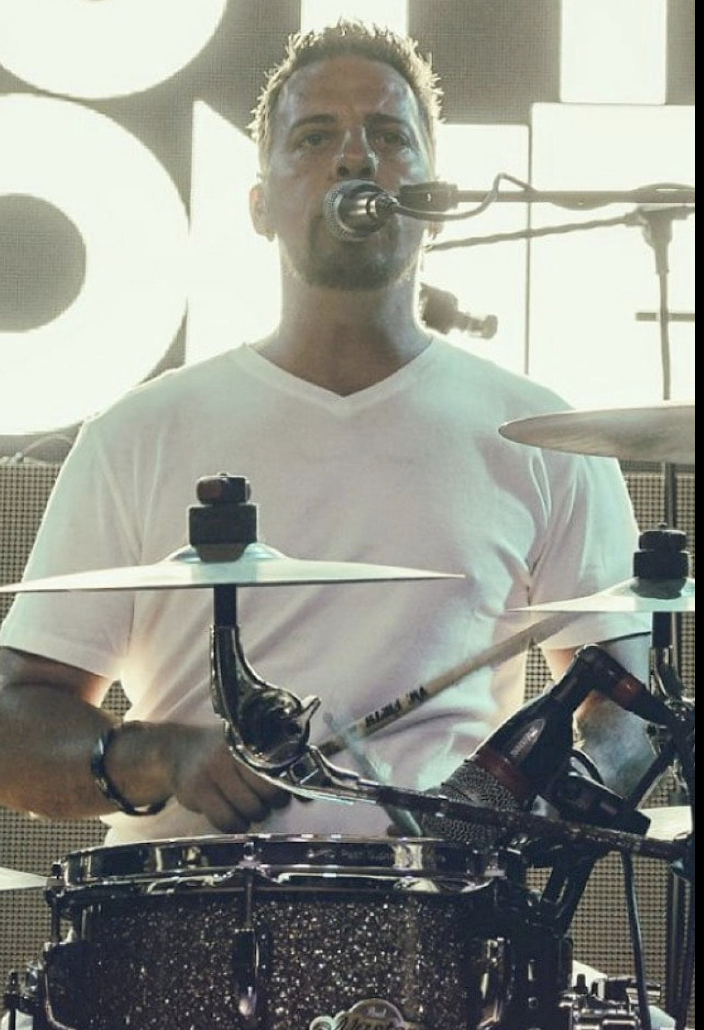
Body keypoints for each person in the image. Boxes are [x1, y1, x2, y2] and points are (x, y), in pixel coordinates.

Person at [0, 20, 654, 858]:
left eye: (389, 136)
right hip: (187, 912)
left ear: (435, 197)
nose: (355, 158)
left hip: (444, 910)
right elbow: (16, 721)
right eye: (315, 138)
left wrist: (504, 813)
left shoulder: (542, 437)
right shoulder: (136, 433)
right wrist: (154, 755)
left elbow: (626, 715)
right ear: (259, 205)